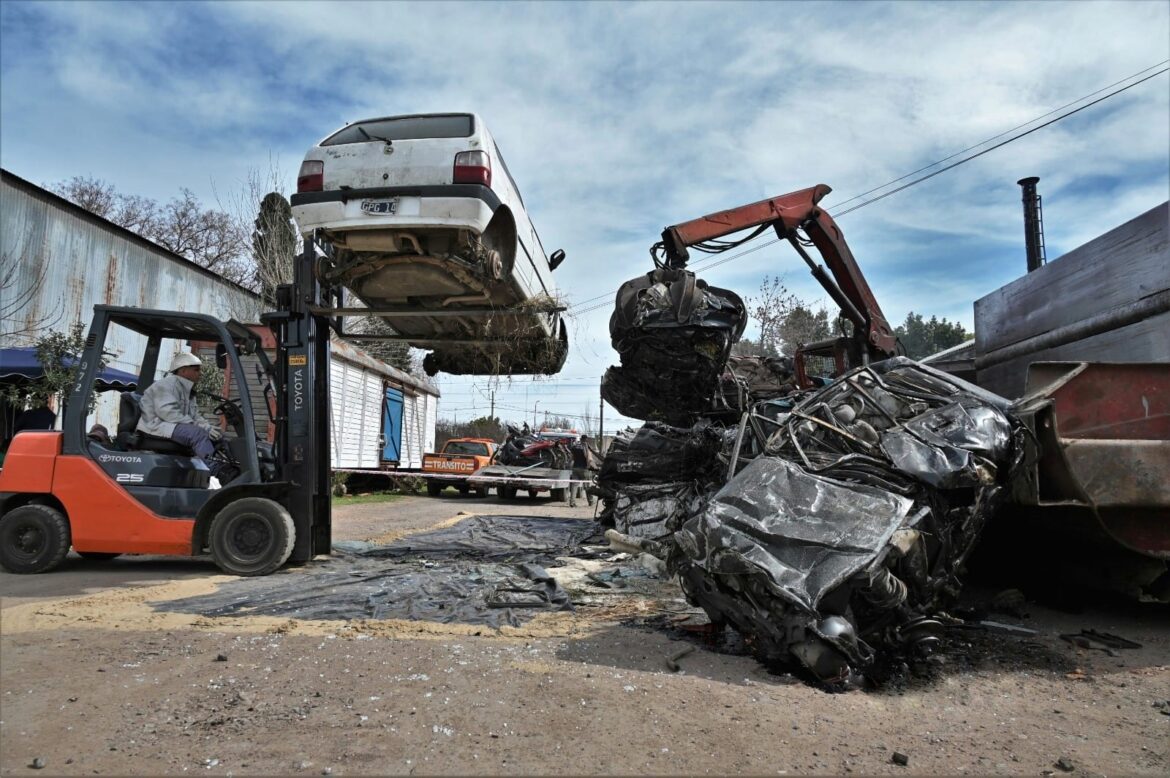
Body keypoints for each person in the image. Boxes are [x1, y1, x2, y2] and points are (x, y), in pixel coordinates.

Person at [136, 352, 225, 477]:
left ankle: (230, 468)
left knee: (218, 435)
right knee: (197, 434)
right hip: (157, 425)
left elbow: (195, 415)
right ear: (183, 371)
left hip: (172, 425)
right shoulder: (167, 385)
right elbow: (168, 413)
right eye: (196, 370)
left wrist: (207, 426)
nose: (200, 373)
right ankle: (218, 472)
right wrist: (200, 427)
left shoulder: (187, 390)